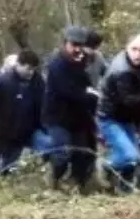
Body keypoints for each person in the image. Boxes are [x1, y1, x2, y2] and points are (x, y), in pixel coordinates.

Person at [42, 25, 100, 192]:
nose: (77, 49)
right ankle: (53, 181)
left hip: (78, 117)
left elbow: (85, 85)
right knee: (62, 153)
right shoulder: (57, 64)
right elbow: (68, 91)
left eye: (80, 45)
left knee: (82, 153)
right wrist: (90, 95)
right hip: (57, 117)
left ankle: (77, 185)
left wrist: (92, 97)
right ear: (65, 44)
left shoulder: (82, 61)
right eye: (73, 45)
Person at [96, 34, 140, 194]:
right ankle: (105, 164)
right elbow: (128, 100)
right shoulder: (121, 70)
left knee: (137, 160)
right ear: (126, 48)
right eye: (134, 49)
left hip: (128, 118)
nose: (138, 54)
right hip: (110, 118)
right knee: (132, 157)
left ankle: (125, 189)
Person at [0, 50, 51, 175]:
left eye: (34, 69)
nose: (31, 72)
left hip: (32, 130)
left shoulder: (38, 81)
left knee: (53, 147)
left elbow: (46, 102)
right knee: (4, 168)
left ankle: (43, 174)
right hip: (9, 134)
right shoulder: (3, 80)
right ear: (18, 65)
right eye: (28, 68)